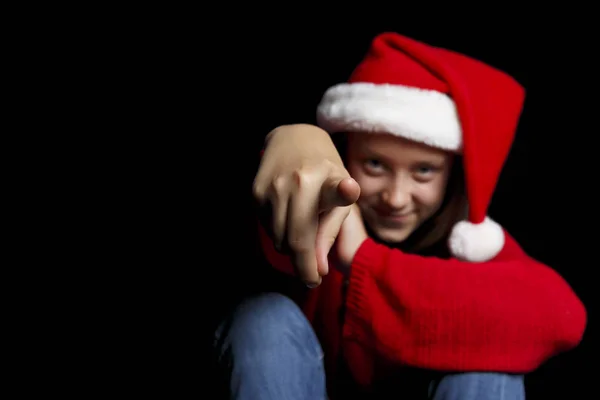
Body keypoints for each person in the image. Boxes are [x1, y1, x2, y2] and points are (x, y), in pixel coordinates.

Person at [213, 32, 587, 399]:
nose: (395, 198)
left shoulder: (473, 241)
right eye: (374, 164)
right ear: (347, 153)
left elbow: (561, 318)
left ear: (451, 174)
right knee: (263, 318)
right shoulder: (322, 217)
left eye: (424, 171)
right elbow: (275, 232)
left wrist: (363, 260)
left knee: (487, 364)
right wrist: (295, 144)